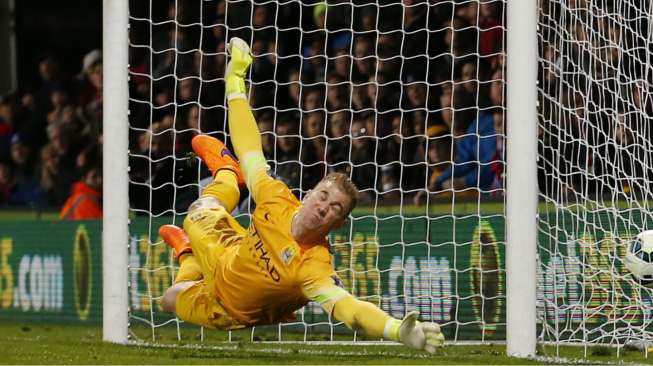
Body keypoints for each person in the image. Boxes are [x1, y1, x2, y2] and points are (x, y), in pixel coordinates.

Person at [158, 37, 444, 353]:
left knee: (168, 299)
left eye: (335, 207)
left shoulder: (314, 266)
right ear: (307, 194)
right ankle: (226, 172)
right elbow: (250, 148)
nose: (324, 207)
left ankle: (186, 253)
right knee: (201, 206)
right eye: (322, 196)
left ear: (337, 224)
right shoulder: (277, 198)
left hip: (227, 309)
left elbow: (350, 309)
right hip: (228, 251)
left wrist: (395, 330)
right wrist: (235, 80)